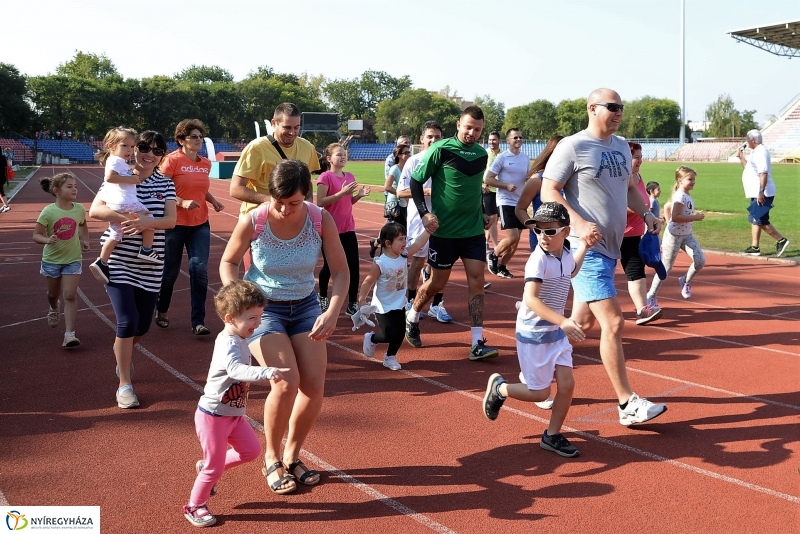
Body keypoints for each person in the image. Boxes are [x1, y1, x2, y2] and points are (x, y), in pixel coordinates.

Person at [219, 160, 348, 495]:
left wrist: (332, 311)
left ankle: (292, 454)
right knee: (285, 380)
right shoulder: (256, 219)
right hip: (264, 310)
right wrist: (239, 300)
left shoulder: (320, 219)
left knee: (314, 385)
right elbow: (229, 261)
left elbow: (341, 271)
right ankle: (271, 458)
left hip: (305, 305)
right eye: (279, 201)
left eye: (294, 203)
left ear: (306, 196)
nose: (285, 208)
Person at [540, 88, 667, 426]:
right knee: (613, 322)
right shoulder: (573, 146)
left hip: (611, 251)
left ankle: (533, 371)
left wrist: (647, 214)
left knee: (581, 324)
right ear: (592, 108)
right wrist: (578, 222)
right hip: (585, 249)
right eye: (612, 107)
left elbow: (628, 188)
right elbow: (548, 190)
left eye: (621, 108)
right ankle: (627, 404)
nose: (618, 112)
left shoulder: (622, 146)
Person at [482, 203, 586, 457]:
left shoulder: (564, 253)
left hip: (556, 333)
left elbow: (571, 269)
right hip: (535, 333)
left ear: (565, 232)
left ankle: (552, 435)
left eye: (550, 231)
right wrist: (563, 321)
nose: (543, 237)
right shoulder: (538, 259)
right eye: (538, 231)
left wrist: (585, 246)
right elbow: (531, 299)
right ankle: (500, 389)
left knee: (567, 384)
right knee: (539, 392)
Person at [183, 280, 289, 527]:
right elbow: (235, 369)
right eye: (252, 318)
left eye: (260, 316)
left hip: (233, 415)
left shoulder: (241, 337)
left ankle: (209, 467)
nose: (258, 323)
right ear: (230, 318)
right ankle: (194, 506)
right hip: (213, 416)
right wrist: (266, 372)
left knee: (251, 451)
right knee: (214, 467)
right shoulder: (228, 342)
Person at [89, 131, 177, 409]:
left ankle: (121, 353)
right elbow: (95, 211)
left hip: (151, 261)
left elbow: (172, 221)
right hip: (120, 258)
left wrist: (145, 224)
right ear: (133, 149)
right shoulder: (119, 173)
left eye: (157, 150)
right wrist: (127, 218)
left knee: (142, 325)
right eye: (143, 147)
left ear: (163, 155)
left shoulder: (166, 184)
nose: (149, 153)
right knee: (126, 321)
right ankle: (124, 384)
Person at [408, 106, 499, 360]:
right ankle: (412, 315)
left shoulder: (481, 155)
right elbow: (416, 182)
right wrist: (425, 213)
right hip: (444, 232)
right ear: (459, 124)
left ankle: (476, 341)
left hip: (471, 232)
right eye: (468, 127)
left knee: (477, 282)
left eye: (477, 129)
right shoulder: (441, 149)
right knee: (437, 283)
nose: (472, 132)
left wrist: (482, 211)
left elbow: (472, 189)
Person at [155, 119, 225, 336]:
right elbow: (159, 190)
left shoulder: (205, 163)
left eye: (200, 136)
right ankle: (162, 309)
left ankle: (198, 321)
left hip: (199, 224)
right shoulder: (171, 161)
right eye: (193, 136)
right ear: (181, 140)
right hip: (174, 224)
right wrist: (181, 202)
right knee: (170, 274)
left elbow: (200, 189)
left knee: (199, 270)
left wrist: (212, 200)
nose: (198, 140)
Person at [396, 121, 452, 323]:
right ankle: (410, 300)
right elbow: (400, 191)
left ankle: (437, 304)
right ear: (422, 139)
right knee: (418, 260)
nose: (433, 140)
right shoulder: (414, 161)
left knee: (442, 263)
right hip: (419, 218)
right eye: (430, 136)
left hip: (443, 218)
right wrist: (426, 191)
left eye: (437, 137)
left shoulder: (447, 162)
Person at [89, 127, 161, 284]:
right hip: (126, 203)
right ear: (111, 146)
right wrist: (132, 179)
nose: (129, 150)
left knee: (116, 234)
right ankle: (147, 250)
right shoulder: (117, 160)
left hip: (116, 204)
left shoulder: (116, 161)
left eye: (131, 146)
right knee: (149, 219)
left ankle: (102, 261)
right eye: (124, 146)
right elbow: (109, 178)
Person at [358, 222, 433, 371]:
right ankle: (371, 338)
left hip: (399, 303)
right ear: (388, 243)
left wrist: (428, 230)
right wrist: (361, 301)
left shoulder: (404, 255)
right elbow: (367, 282)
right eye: (400, 239)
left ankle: (390, 356)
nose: (405, 243)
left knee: (400, 332)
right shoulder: (381, 263)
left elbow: (418, 243)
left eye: (405, 238)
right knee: (388, 334)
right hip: (382, 306)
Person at [230, 102, 321, 212]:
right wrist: (272, 201)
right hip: (260, 220)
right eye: (287, 127)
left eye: (296, 127)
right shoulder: (256, 148)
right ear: (274, 123)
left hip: (293, 219)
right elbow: (236, 189)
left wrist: (308, 202)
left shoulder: (307, 147)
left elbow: (307, 182)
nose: (292, 132)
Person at [33, 173, 90, 348]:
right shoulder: (49, 211)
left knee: (70, 295)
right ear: (57, 191)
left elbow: (82, 225)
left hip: (73, 259)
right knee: (53, 294)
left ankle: (69, 334)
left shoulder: (79, 208)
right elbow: (36, 235)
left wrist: (84, 239)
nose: (74, 189)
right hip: (52, 260)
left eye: (75, 186)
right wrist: (47, 240)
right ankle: (53, 307)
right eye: (69, 186)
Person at [315, 143, 370, 316]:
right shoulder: (325, 177)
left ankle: (352, 302)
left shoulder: (350, 176)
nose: (343, 157)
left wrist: (358, 196)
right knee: (330, 267)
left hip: (348, 228)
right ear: (329, 158)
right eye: (339, 155)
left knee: (353, 266)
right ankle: (323, 296)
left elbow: (348, 202)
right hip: (330, 230)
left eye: (344, 154)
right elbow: (320, 202)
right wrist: (342, 193)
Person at [647, 166, 706, 301]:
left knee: (700, 261)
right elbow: (676, 217)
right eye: (690, 179)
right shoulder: (680, 196)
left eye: (694, 179)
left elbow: (668, 206)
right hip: (673, 236)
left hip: (687, 235)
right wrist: (695, 217)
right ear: (680, 180)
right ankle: (651, 295)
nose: (693, 182)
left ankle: (685, 281)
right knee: (666, 268)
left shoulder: (685, 194)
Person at [622, 142, 662, 325]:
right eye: (635, 157)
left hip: (634, 236)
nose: (639, 160)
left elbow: (643, 202)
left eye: (640, 156)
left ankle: (642, 309)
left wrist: (648, 215)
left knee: (636, 271)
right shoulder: (620, 178)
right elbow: (616, 205)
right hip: (614, 235)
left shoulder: (638, 176)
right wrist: (640, 210)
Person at [485, 128, 530, 278]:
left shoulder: (525, 158)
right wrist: (505, 186)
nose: (518, 140)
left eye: (520, 137)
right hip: (505, 201)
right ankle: (494, 254)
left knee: (515, 242)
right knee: (513, 237)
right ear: (508, 140)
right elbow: (489, 179)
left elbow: (526, 179)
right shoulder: (502, 158)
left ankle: (502, 266)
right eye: (515, 137)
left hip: (520, 202)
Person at [737, 130, 790, 257]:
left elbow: (763, 173)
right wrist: (741, 157)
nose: (747, 142)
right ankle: (755, 247)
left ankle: (781, 240)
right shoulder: (756, 152)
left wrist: (761, 192)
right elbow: (749, 169)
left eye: (748, 139)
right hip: (757, 192)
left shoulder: (761, 152)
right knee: (756, 218)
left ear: (753, 140)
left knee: (759, 220)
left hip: (762, 192)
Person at [515, 136, 563, 253]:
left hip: (566, 238)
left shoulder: (570, 179)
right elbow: (520, 209)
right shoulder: (537, 180)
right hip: (543, 240)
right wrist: (536, 229)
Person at [383, 144, 411, 229]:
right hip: (395, 203)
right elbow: (387, 187)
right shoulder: (395, 168)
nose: (409, 154)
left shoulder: (407, 169)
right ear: (399, 155)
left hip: (403, 203)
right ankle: (378, 241)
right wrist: (400, 194)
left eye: (409, 152)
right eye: (406, 152)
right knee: (398, 230)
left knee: (395, 230)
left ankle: (377, 242)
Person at [483, 131, 502, 253]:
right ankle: (496, 247)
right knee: (492, 218)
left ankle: (485, 242)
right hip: (487, 189)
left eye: (494, 140)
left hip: (500, 191)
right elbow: (479, 171)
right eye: (490, 140)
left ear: (499, 141)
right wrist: (481, 184)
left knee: (492, 219)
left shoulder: (503, 155)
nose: (491, 142)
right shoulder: (484, 154)